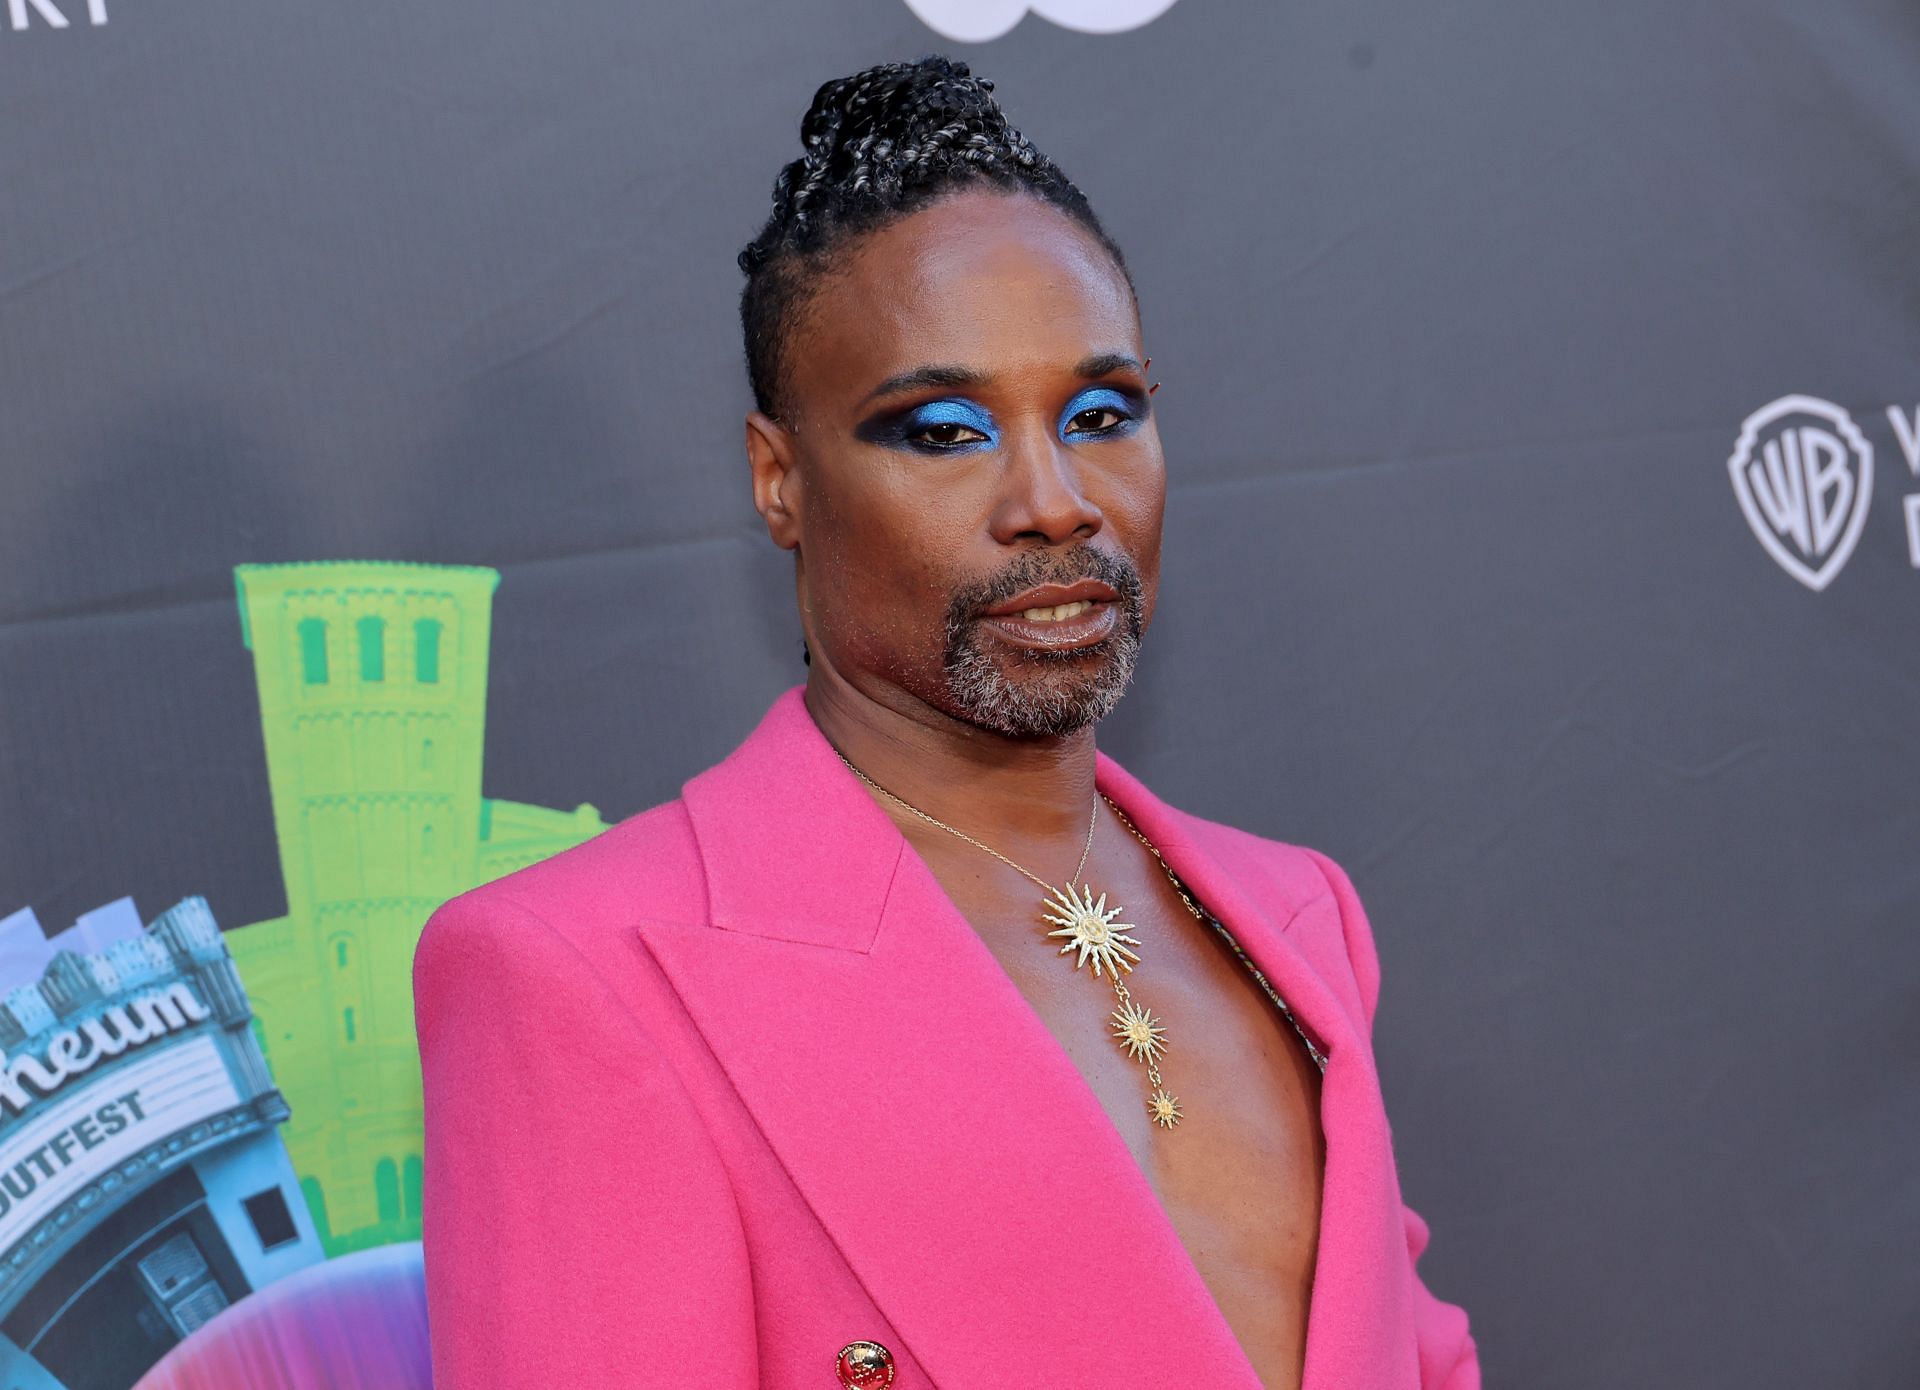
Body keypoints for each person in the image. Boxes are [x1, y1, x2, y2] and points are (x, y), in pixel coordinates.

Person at [412, 54, 1479, 1390]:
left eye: (1103, 414)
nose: (1054, 499)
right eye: (943, 430)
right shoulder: (582, 979)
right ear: (780, 481)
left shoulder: (1300, 919)